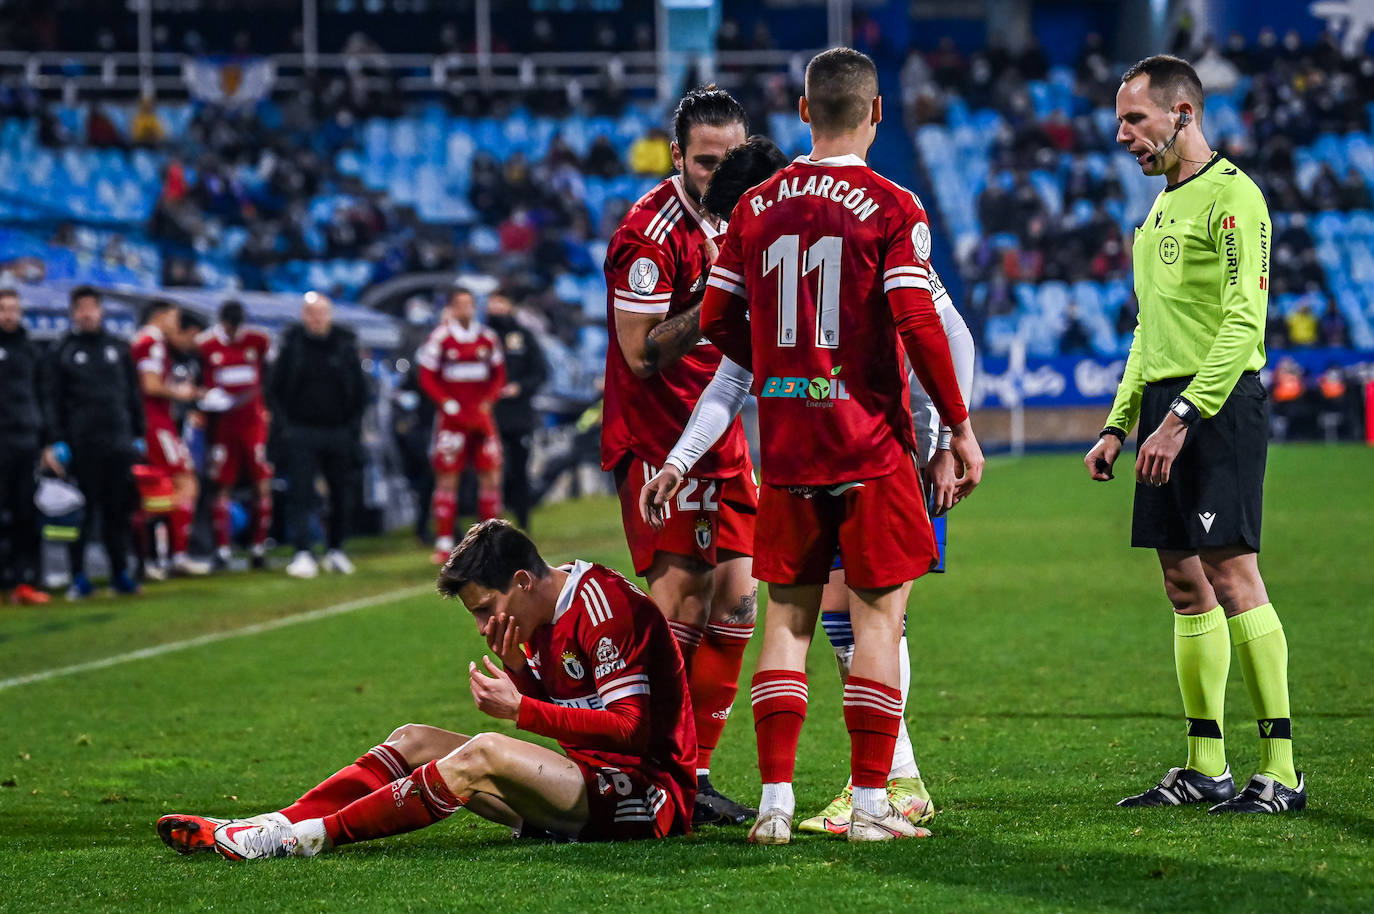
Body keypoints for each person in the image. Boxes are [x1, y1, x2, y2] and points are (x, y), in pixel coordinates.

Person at [642, 136, 977, 835]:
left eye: (729, 224)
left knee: (863, 619)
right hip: (834, 448)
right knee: (843, 619)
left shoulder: (806, 224)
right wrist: (679, 459)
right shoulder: (793, 234)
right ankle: (879, 786)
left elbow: (949, 332)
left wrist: (941, 440)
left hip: (889, 445)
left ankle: (891, 784)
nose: (728, 238)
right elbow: (734, 375)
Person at [154, 519, 696, 858]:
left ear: (523, 582)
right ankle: (268, 823)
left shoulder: (601, 610)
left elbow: (632, 732)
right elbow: (579, 709)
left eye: (486, 610)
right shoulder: (532, 617)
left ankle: (302, 840)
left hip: (646, 800)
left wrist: (523, 708)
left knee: (481, 751)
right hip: (584, 790)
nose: (485, 627)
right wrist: (523, 674)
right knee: (413, 737)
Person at [1085, 55, 1305, 814]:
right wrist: (1120, 424)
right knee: (1184, 584)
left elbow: (1246, 320)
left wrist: (1182, 418)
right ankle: (1204, 764)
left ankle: (1281, 768)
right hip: (1164, 410)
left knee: (1234, 575)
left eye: (1134, 120)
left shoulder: (1236, 199)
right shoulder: (1153, 219)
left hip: (1218, 406)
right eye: (1119, 121)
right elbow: (1150, 331)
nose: (1122, 137)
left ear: (1183, 114)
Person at [601, 84, 759, 826]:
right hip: (662, 437)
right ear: (677, 157)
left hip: (721, 431)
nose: (718, 172)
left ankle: (690, 775)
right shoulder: (650, 232)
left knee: (738, 601)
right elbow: (639, 356)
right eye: (704, 161)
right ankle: (640, 775)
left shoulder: (747, 211)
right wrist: (723, 300)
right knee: (677, 609)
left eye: (730, 157)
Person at [40, 286, 145, 598]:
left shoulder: (118, 348)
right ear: (73, 313)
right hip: (81, 445)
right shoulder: (62, 351)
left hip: (118, 443)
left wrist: (137, 434)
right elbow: (52, 400)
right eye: (81, 308)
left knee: (118, 513)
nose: (87, 313)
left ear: (101, 310)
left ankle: (119, 574)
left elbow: (132, 395)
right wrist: (56, 440)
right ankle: (78, 577)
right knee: (81, 514)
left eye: (92, 307)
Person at [268, 292, 368, 579]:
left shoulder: (345, 343)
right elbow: (274, 388)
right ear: (303, 316)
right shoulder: (291, 344)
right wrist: (285, 426)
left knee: (340, 492)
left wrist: (353, 426)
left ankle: (336, 549)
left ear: (330, 315)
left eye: (321, 313)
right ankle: (303, 552)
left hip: (339, 429)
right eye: (311, 313)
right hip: (301, 429)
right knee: (300, 492)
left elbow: (360, 390)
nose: (316, 319)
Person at [417, 286, 507, 564]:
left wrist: (489, 401)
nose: (466, 310)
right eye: (461, 305)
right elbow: (426, 376)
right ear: (452, 308)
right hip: (452, 420)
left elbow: (499, 374)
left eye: (470, 304)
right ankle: (444, 543)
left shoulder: (487, 338)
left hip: (480, 417)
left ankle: (490, 541)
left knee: (490, 475)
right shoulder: (440, 338)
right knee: (447, 478)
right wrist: (445, 402)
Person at [131, 300, 211, 577]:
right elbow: (150, 384)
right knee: (183, 482)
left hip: (155, 422)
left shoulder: (148, 342)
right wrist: (182, 393)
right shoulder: (150, 342)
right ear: (162, 316)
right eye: (175, 317)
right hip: (156, 423)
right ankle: (173, 555)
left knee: (159, 491)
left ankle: (156, 557)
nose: (177, 324)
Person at [197, 300, 274, 569]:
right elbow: (200, 384)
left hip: (253, 423)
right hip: (224, 426)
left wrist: (268, 409)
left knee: (261, 481)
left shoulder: (258, 340)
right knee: (222, 484)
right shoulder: (206, 345)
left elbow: (269, 375)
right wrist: (206, 400)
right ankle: (223, 550)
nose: (233, 331)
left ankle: (258, 547)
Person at [0, 288, 50, 605]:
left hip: (26, 442)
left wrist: (46, 442)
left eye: (13, 309)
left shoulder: (31, 350)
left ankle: (24, 581)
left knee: (26, 514)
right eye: (3, 309)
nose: (9, 315)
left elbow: (43, 396)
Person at [485, 290, 548, 531]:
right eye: (492, 303)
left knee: (519, 470)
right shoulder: (482, 337)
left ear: (510, 305)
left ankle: (523, 522)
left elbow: (540, 372)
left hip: (518, 416)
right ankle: (491, 524)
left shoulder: (523, 336)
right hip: (488, 415)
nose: (495, 307)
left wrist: (520, 387)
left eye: (500, 302)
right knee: (491, 472)